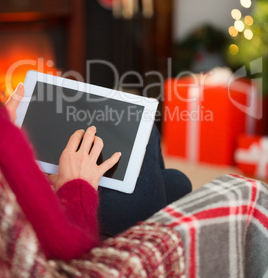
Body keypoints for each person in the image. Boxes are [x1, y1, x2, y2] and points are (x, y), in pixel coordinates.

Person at [2, 82, 192, 258]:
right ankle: (150, 245)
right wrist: (76, 187)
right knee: (145, 130)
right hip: (76, 252)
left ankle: (152, 230)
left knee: (177, 181)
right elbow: (72, 255)